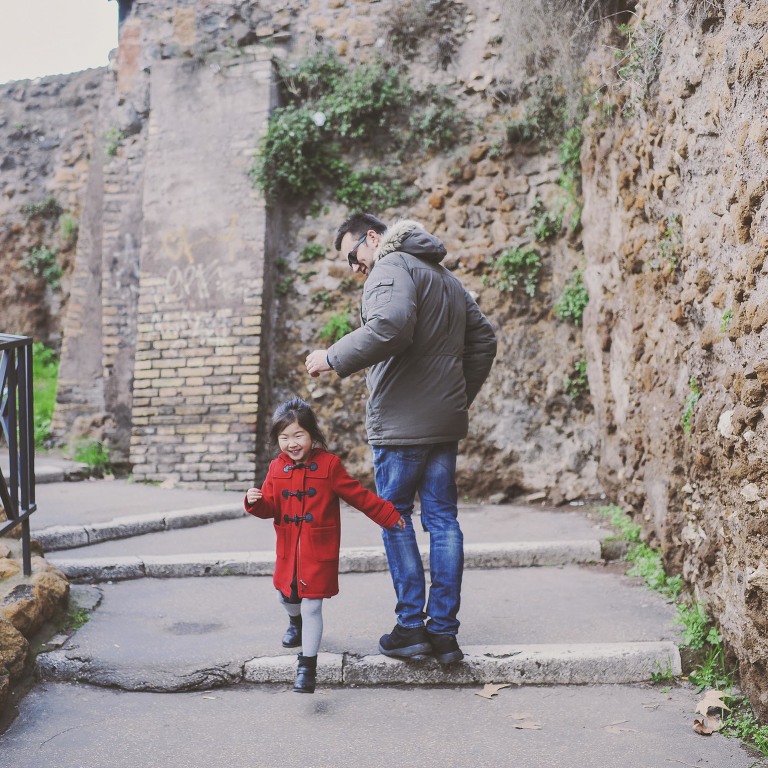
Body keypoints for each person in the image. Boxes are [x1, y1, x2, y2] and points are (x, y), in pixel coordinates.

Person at [305, 214, 497, 665]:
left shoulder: (391, 266)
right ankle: (444, 635)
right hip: (442, 423)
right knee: (444, 522)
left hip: (400, 426)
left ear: (373, 238)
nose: (356, 270)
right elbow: (483, 339)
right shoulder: (445, 278)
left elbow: (391, 325)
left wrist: (331, 356)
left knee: (394, 518)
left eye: (354, 257)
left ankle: (411, 627)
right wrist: (454, 398)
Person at [244, 397, 404, 693]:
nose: (292, 443)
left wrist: (388, 515)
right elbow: (270, 507)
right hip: (288, 551)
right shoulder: (276, 468)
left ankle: (307, 668)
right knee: (286, 597)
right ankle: (295, 623)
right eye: (284, 437)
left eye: (298, 435)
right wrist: (255, 503)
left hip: (318, 551)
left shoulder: (329, 466)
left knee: (312, 606)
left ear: (312, 435)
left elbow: (359, 496)